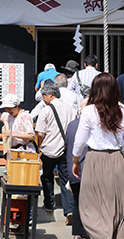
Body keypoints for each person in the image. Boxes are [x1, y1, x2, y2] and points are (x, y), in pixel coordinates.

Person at [72, 72, 124, 239]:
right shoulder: (123, 112)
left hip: (95, 159)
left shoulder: (88, 111)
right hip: (117, 161)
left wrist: (75, 160)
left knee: (90, 205)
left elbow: (79, 141)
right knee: (116, 207)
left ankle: (101, 235)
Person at [35, 83, 77, 223]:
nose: (43, 99)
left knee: (47, 177)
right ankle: (69, 210)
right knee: (66, 180)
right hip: (66, 150)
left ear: (50, 95)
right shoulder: (71, 110)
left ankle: (49, 204)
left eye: (44, 96)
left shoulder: (46, 111)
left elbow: (40, 133)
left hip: (49, 149)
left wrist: (43, 141)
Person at [66, 97, 89, 239]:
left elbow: (68, 146)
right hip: (89, 169)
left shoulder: (72, 125)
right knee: (90, 203)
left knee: (77, 202)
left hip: (73, 168)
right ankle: (87, 232)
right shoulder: (95, 124)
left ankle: (77, 233)